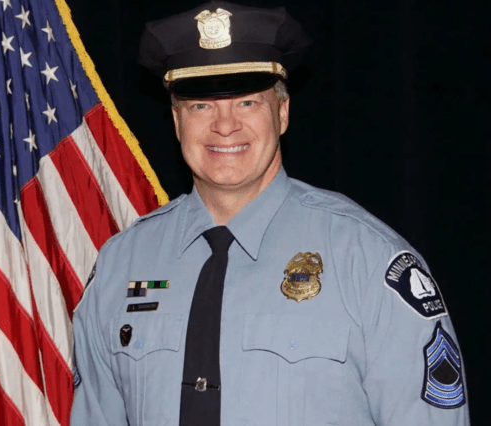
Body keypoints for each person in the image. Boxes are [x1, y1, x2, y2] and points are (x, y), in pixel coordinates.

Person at [70, 2, 470, 425]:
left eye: (247, 103)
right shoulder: (122, 263)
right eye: (201, 106)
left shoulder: (366, 259)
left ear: (282, 113)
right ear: (176, 119)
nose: (225, 125)